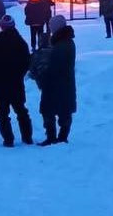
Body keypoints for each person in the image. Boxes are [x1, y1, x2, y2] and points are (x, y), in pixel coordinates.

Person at [0, 14, 33, 147]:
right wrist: (18, 75)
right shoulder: (20, 42)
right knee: (21, 111)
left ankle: (8, 139)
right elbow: (26, 62)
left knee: (3, 115)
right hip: (15, 84)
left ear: (1, 27)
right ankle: (27, 137)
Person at [38, 15, 77, 146]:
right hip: (63, 83)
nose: (50, 29)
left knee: (52, 110)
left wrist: (43, 74)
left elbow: (55, 66)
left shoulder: (62, 44)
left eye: (51, 26)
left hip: (57, 83)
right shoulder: (64, 41)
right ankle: (59, 137)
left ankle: (56, 137)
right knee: (62, 110)